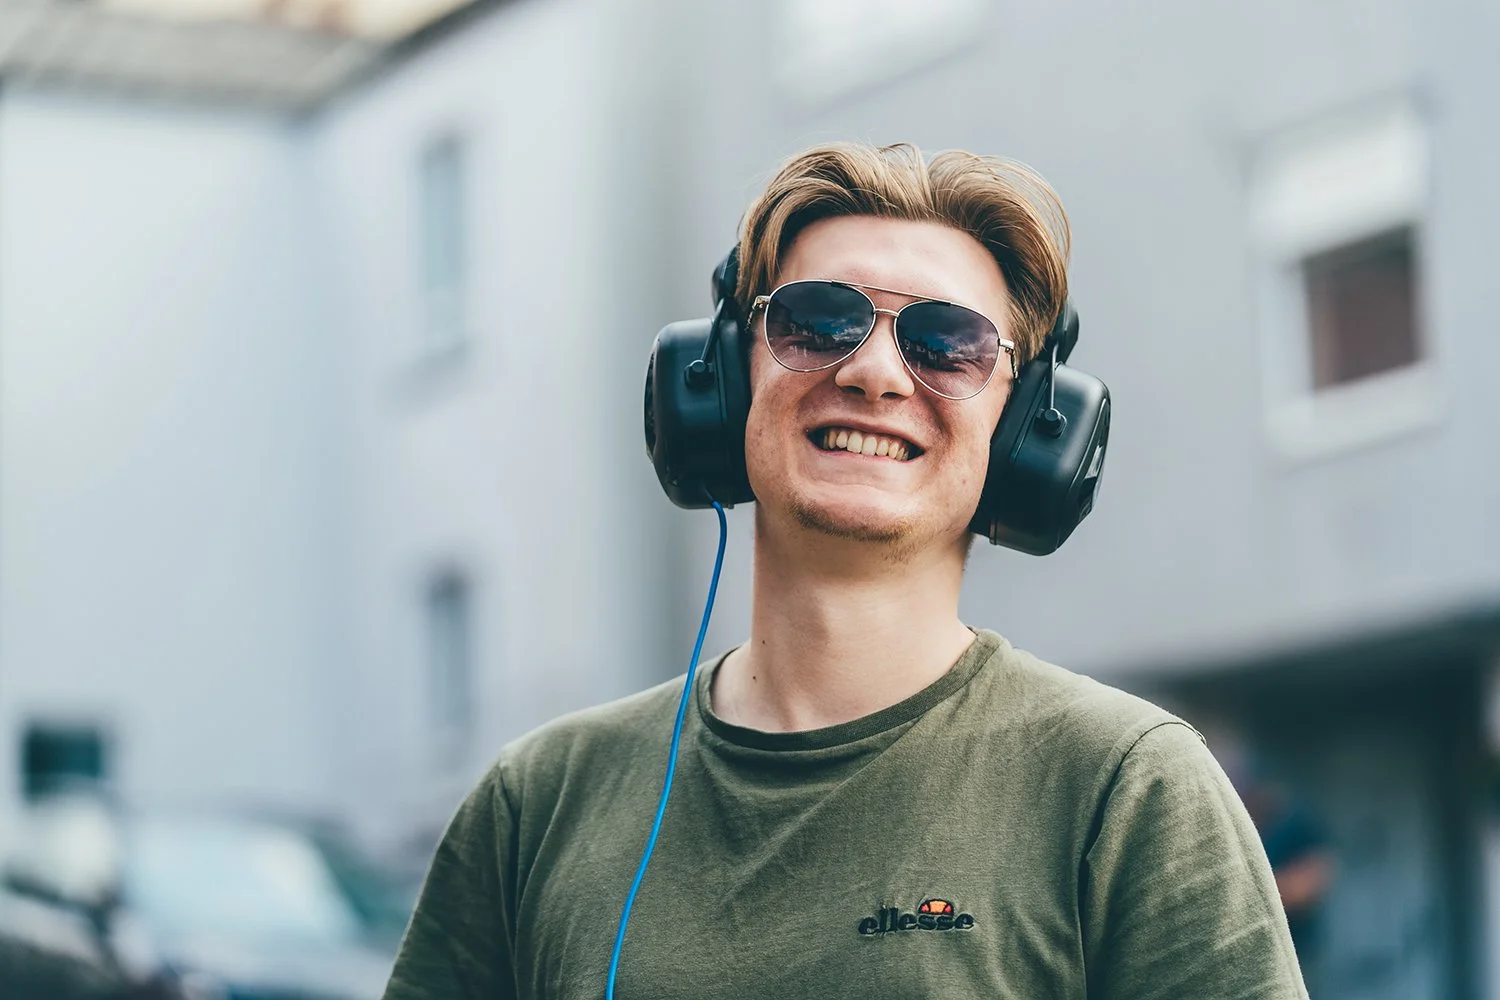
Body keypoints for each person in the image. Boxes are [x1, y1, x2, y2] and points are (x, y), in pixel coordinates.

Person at [381, 142, 1309, 998]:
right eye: (818, 322)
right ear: (720, 378)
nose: (873, 371)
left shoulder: (1126, 788)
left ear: (1027, 427)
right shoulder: (537, 801)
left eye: (950, 344)